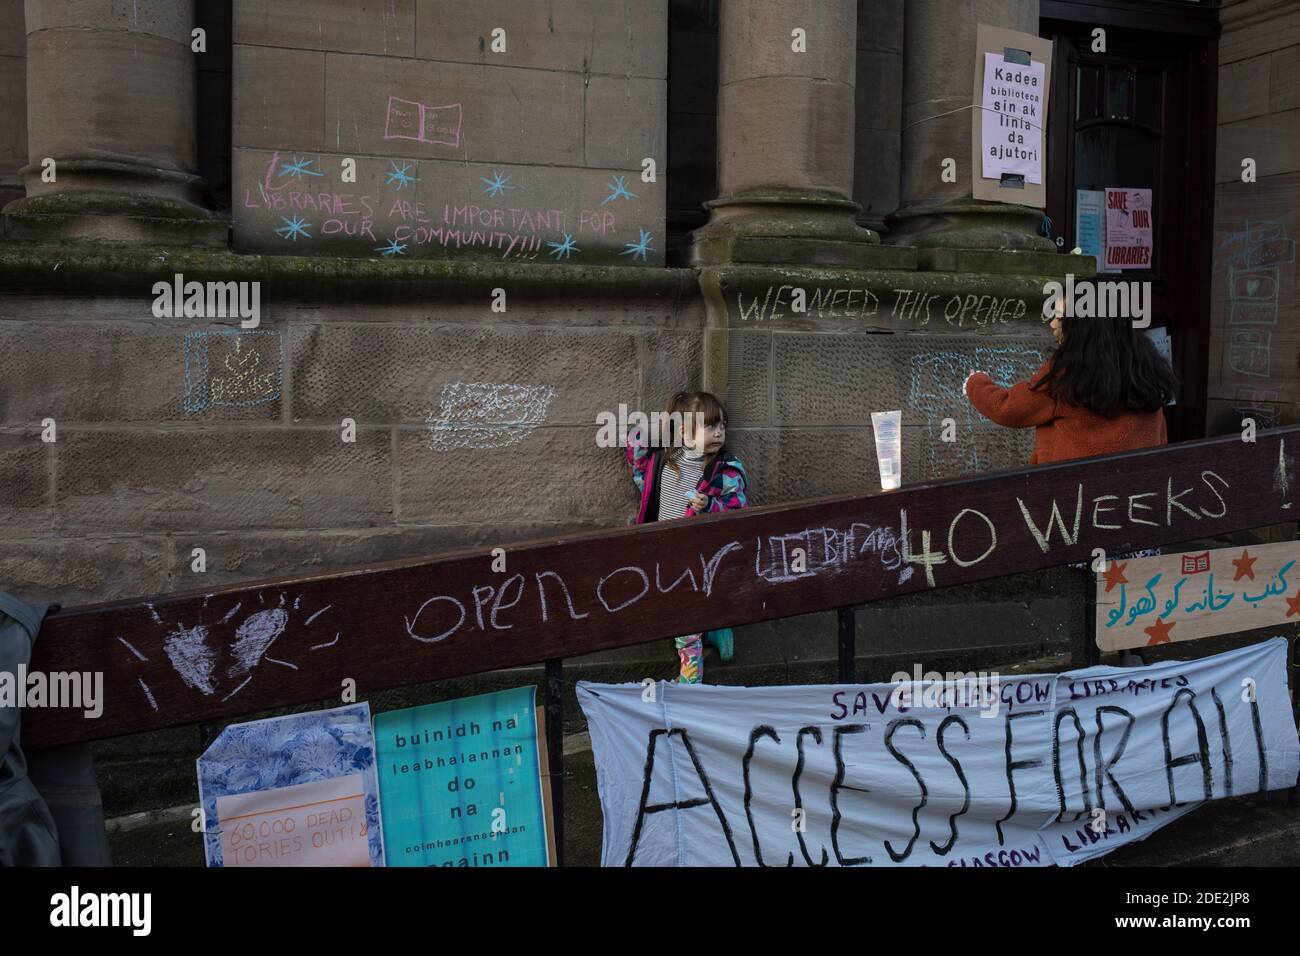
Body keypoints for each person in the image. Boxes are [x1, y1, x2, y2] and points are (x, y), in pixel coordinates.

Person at [625, 391, 749, 684]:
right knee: (674, 610)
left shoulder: (724, 471)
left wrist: (710, 506)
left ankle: (691, 678)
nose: (719, 433)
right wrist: (662, 427)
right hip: (664, 552)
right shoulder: (664, 463)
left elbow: (738, 508)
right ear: (684, 430)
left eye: (722, 426)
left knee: (685, 618)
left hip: (701, 556)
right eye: (709, 426)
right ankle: (715, 628)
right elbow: (638, 460)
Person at [964, 298, 1178, 465]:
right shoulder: (1146, 366)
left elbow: (1009, 409)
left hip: (1072, 500)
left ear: (1082, 324)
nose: (1052, 323)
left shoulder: (1068, 373)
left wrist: (975, 382)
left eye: (1059, 316)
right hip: (1135, 498)